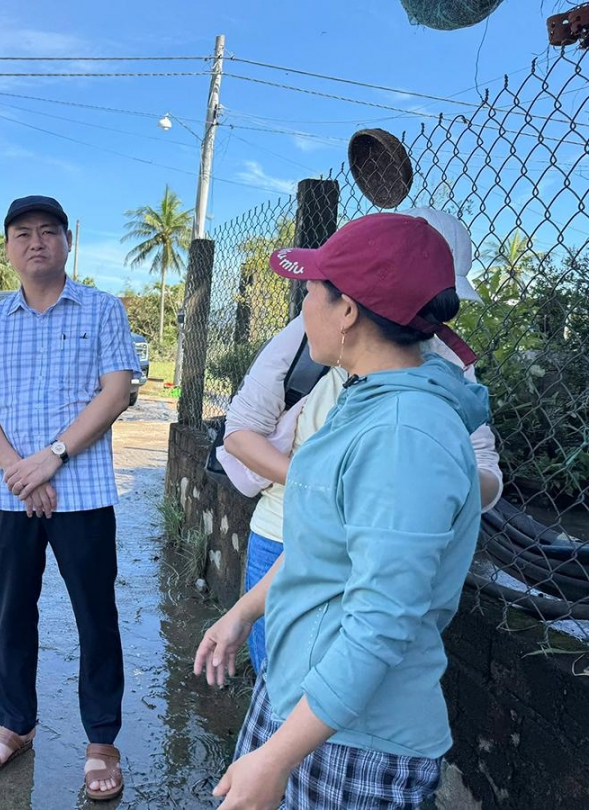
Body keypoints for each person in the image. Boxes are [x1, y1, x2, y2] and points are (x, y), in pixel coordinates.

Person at [195, 213, 492, 809]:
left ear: (348, 310)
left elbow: (381, 621)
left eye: (310, 292)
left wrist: (276, 758)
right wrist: (245, 612)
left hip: (357, 741)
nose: (304, 309)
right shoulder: (364, 401)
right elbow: (322, 545)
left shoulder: (406, 434)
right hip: (304, 698)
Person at [218, 207, 503, 673]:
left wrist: (426, 493)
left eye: (312, 290)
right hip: (285, 532)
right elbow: (240, 433)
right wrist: (329, 488)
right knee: (280, 676)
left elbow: (483, 470)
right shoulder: (316, 339)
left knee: (324, 686)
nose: (306, 301)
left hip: (378, 552)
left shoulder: (437, 381)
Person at [0, 195, 141, 801]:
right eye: (22, 234)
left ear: (67, 241)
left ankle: (102, 741)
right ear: (9, 247)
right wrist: (19, 470)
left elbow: (116, 393)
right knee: (14, 614)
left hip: (84, 495)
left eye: (47, 231)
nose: (35, 242)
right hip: (11, 498)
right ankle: (14, 726)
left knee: (96, 617)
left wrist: (51, 458)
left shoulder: (102, 309)